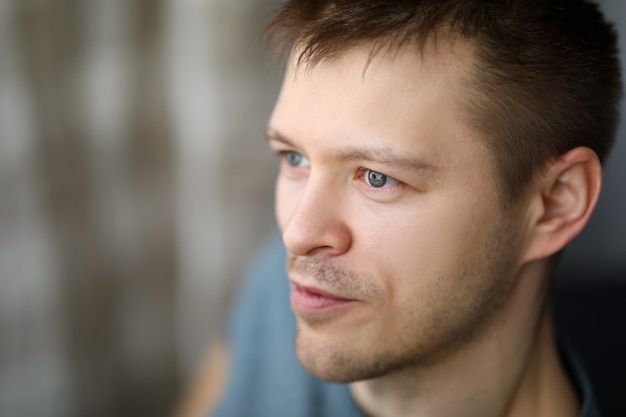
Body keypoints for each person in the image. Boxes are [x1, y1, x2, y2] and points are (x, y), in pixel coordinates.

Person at [188, 1, 623, 416]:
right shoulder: (285, 291)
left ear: (555, 204)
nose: (297, 235)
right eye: (293, 158)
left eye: (377, 177)